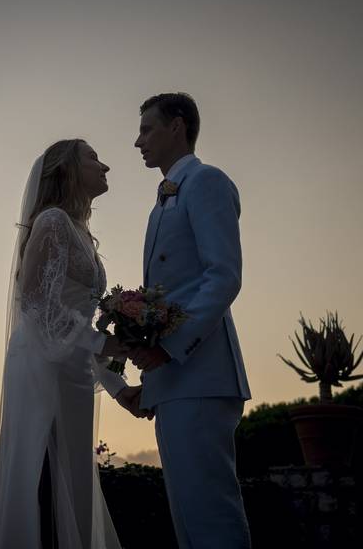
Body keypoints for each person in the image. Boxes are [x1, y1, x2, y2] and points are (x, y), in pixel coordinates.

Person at [0, 139, 150, 549]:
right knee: (37, 478)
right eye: (94, 158)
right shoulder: (52, 222)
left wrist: (118, 387)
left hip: (73, 369)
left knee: (76, 478)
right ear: (67, 170)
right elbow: (39, 306)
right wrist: (106, 344)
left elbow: (77, 322)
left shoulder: (79, 231)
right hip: (40, 366)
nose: (105, 166)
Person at [130, 92, 252, 548]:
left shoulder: (206, 182)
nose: (138, 141)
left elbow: (223, 277)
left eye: (147, 129)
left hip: (200, 373)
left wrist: (168, 348)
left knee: (210, 517)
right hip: (176, 380)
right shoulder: (163, 200)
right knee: (189, 522)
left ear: (177, 126)